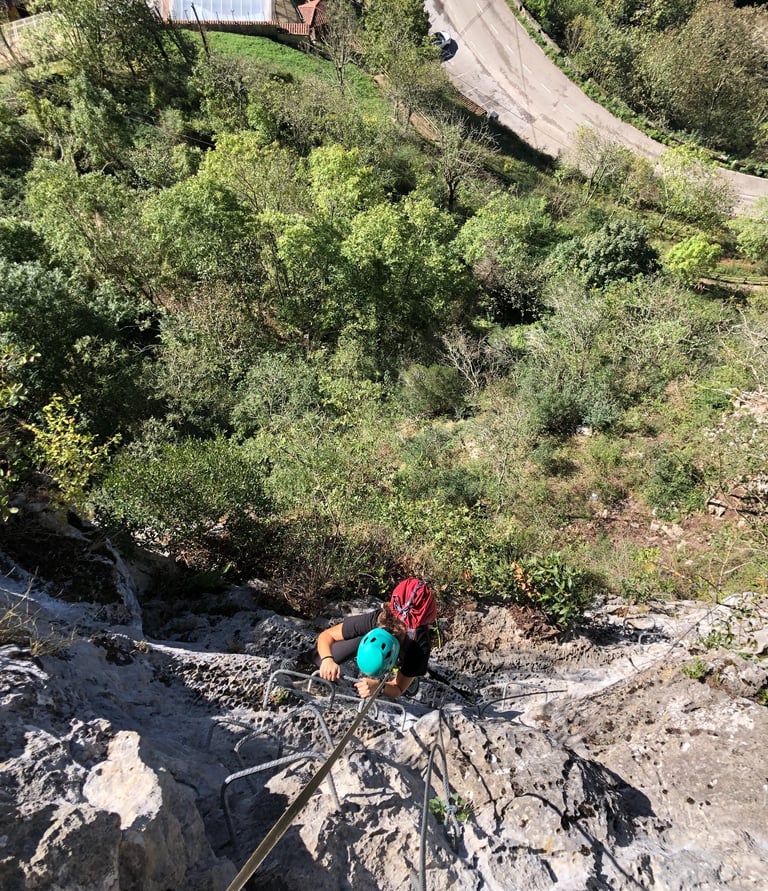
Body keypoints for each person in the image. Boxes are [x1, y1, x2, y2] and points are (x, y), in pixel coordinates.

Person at [315, 578, 438, 700]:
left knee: (408, 679)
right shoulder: (378, 619)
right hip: (380, 639)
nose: (400, 623)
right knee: (320, 659)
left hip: (406, 655)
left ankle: (409, 676)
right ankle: (306, 660)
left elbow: (399, 688)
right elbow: (327, 636)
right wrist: (327, 659)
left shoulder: (419, 646)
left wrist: (379, 687)